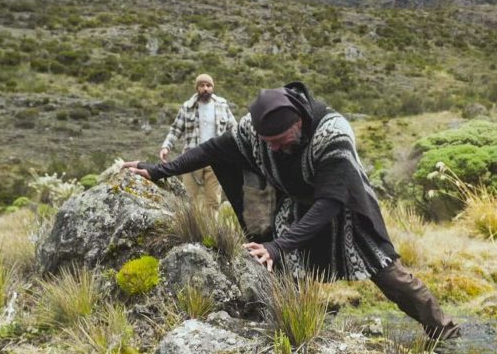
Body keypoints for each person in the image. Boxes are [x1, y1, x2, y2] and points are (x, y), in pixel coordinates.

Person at [123, 81, 459, 340]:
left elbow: (329, 202)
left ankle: (443, 329)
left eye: (282, 140)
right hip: (297, 207)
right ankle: (301, 327)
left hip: (346, 209)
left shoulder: (333, 133)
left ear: (299, 121)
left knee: (389, 274)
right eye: (269, 143)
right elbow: (212, 149)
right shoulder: (253, 131)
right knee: (286, 272)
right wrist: (157, 170)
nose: (275, 148)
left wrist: (278, 244)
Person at [159, 73, 236, 210]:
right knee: (188, 200)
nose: (205, 88)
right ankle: (189, 230)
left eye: (208, 85)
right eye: (202, 85)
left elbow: (234, 129)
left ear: (212, 87)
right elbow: (176, 129)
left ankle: (210, 231)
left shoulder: (222, 105)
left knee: (213, 201)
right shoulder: (187, 107)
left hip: (216, 159)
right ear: (197, 88)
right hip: (191, 159)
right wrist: (166, 147)